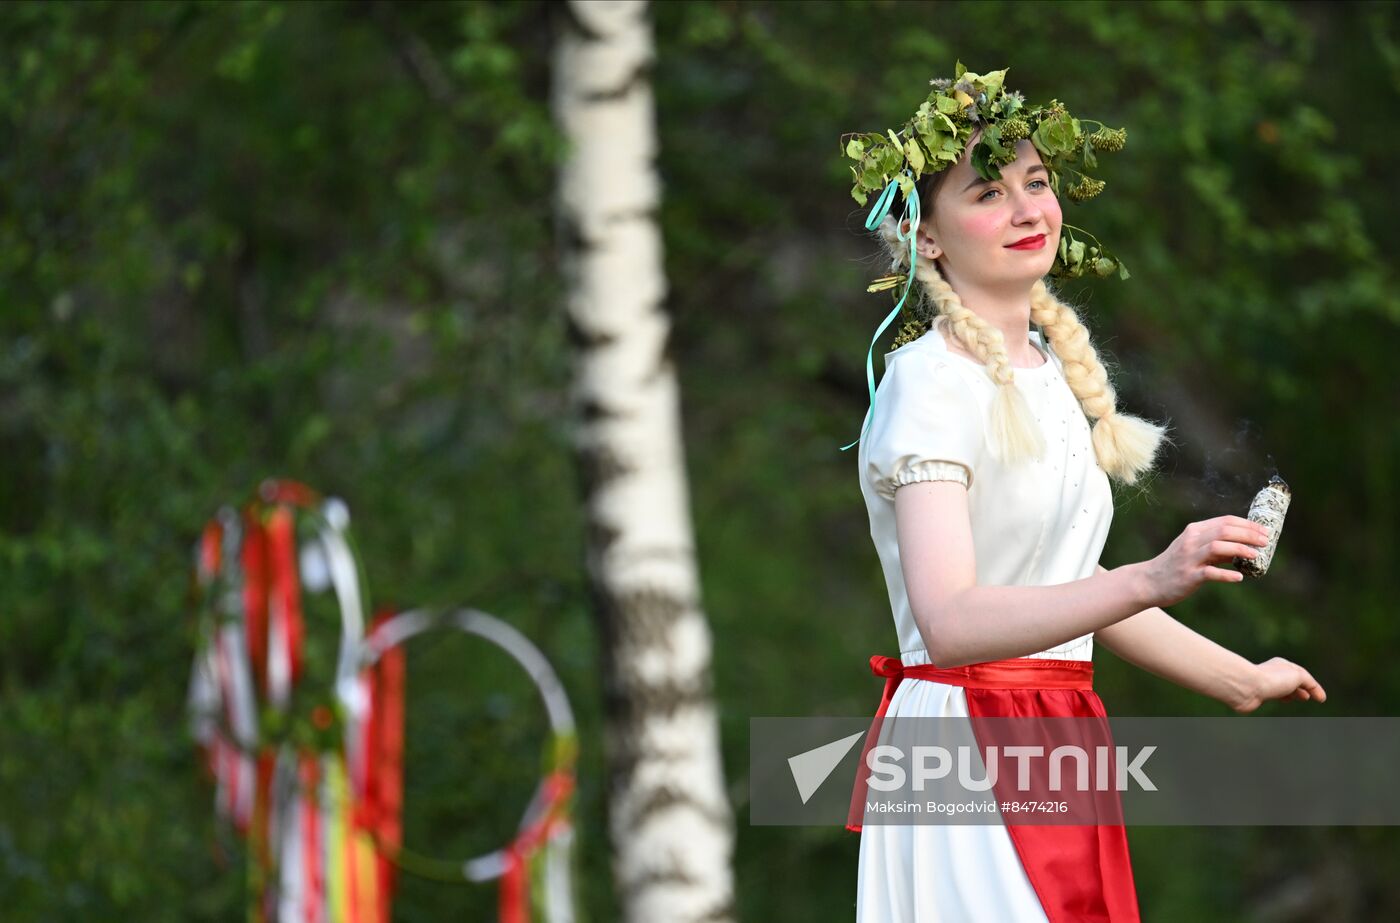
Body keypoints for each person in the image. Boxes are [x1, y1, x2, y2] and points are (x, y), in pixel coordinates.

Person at [840, 64, 1328, 922]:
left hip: (1055, 734)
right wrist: (1150, 573)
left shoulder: (1044, 376)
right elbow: (951, 622)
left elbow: (1067, 584)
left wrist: (1238, 679)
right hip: (966, 740)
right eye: (990, 192)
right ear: (927, 238)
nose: (1028, 209)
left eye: (1037, 182)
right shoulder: (928, 387)